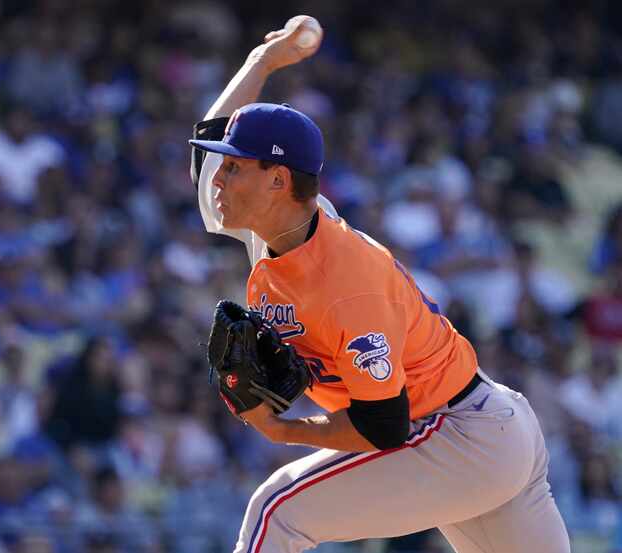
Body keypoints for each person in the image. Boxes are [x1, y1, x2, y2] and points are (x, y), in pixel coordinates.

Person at [188, 19, 570, 553]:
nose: (219, 179)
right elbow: (207, 150)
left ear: (278, 181)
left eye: (235, 168)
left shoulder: (348, 283)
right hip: (483, 428)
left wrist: (283, 430)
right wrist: (261, 64)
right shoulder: (280, 223)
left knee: (276, 512)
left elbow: (383, 428)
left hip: (456, 433)